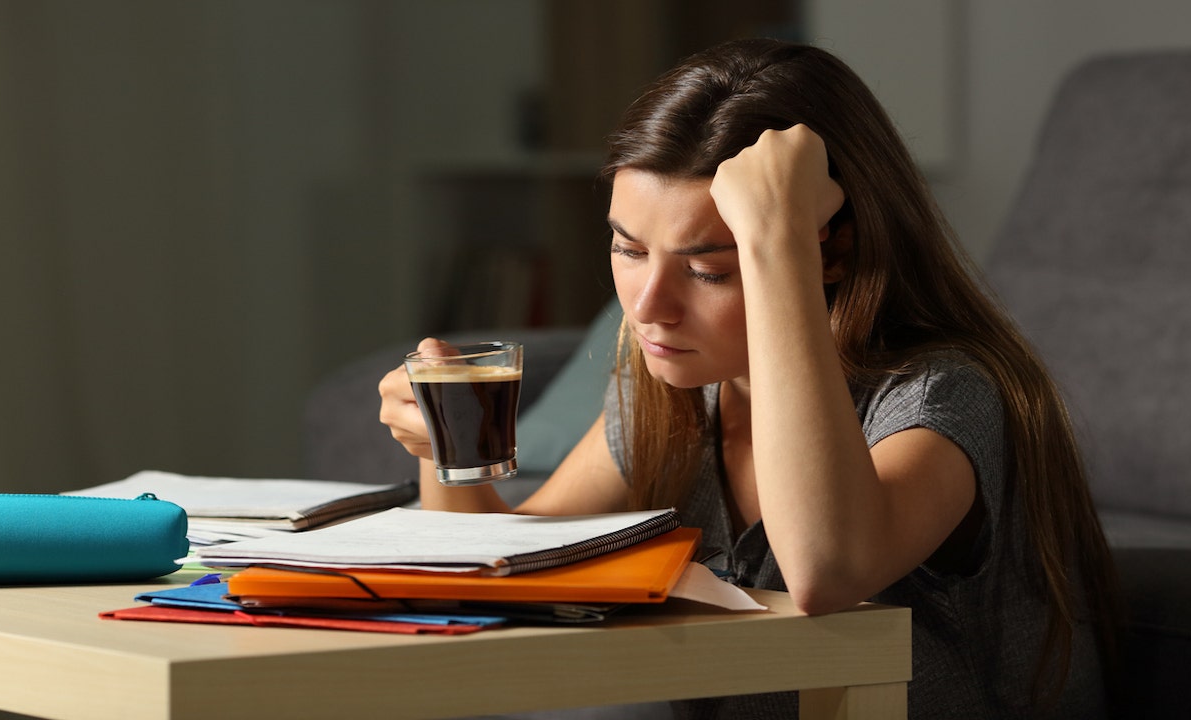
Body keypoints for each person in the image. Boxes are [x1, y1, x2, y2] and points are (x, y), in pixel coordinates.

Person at [380, 38, 1120, 719]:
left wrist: (777, 238)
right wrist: (443, 447)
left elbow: (828, 571)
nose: (646, 308)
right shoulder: (675, 395)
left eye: (709, 269)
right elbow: (507, 567)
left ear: (827, 256)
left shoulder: (941, 394)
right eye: (628, 249)